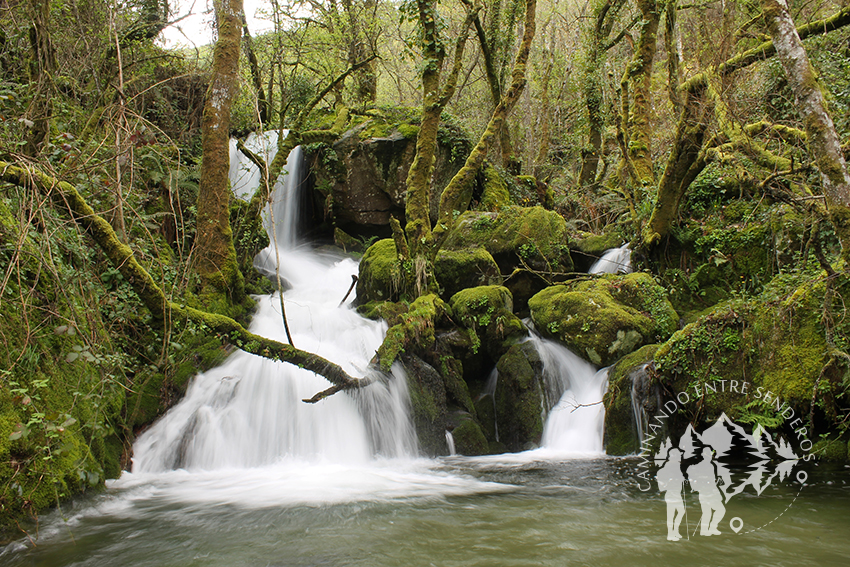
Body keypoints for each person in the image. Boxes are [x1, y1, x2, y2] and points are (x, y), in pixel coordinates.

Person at [687, 446, 725, 536]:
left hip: (707, 492)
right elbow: (704, 480)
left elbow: (710, 479)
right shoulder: (705, 466)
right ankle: (710, 529)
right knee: (718, 510)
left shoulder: (711, 465)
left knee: (709, 512)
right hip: (707, 492)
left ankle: (706, 530)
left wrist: (717, 480)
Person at [656, 447, 686, 541]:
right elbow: (663, 483)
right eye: (678, 455)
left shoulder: (676, 466)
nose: (680, 457)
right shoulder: (669, 467)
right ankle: (671, 534)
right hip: (671, 494)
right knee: (672, 514)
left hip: (676, 493)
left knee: (679, 512)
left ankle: (675, 531)